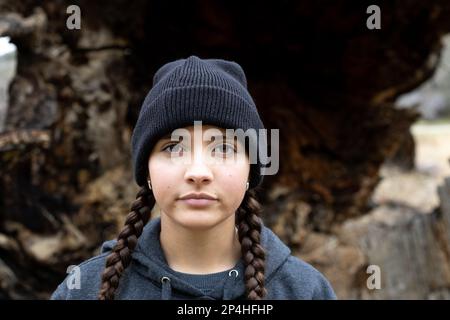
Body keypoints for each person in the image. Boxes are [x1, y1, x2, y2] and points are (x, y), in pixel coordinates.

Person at [50, 55, 337, 300]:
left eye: (223, 148)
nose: (198, 172)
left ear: (250, 168)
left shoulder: (304, 290)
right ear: (146, 170)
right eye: (173, 147)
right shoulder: (83, 289)